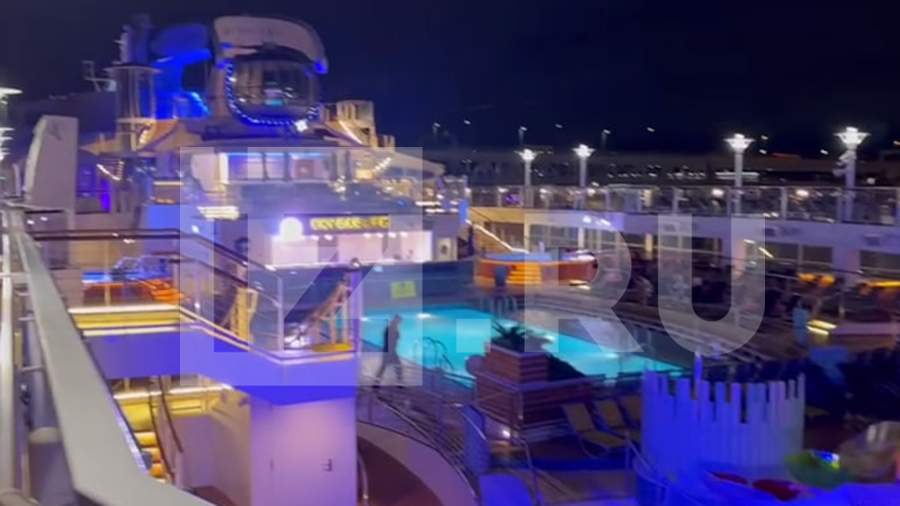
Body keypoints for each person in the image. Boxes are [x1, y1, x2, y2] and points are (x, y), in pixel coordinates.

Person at [374, 314, 403, 387]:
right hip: (390, 350)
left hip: (389, 350)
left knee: (385, 366)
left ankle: (376, 382)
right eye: (399, 321)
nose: (399, 322)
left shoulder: (392, 328)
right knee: (396, 365)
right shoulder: (391, 328)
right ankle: (399, 382)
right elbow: (393, 339)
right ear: (396, 320)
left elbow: (393, 338)